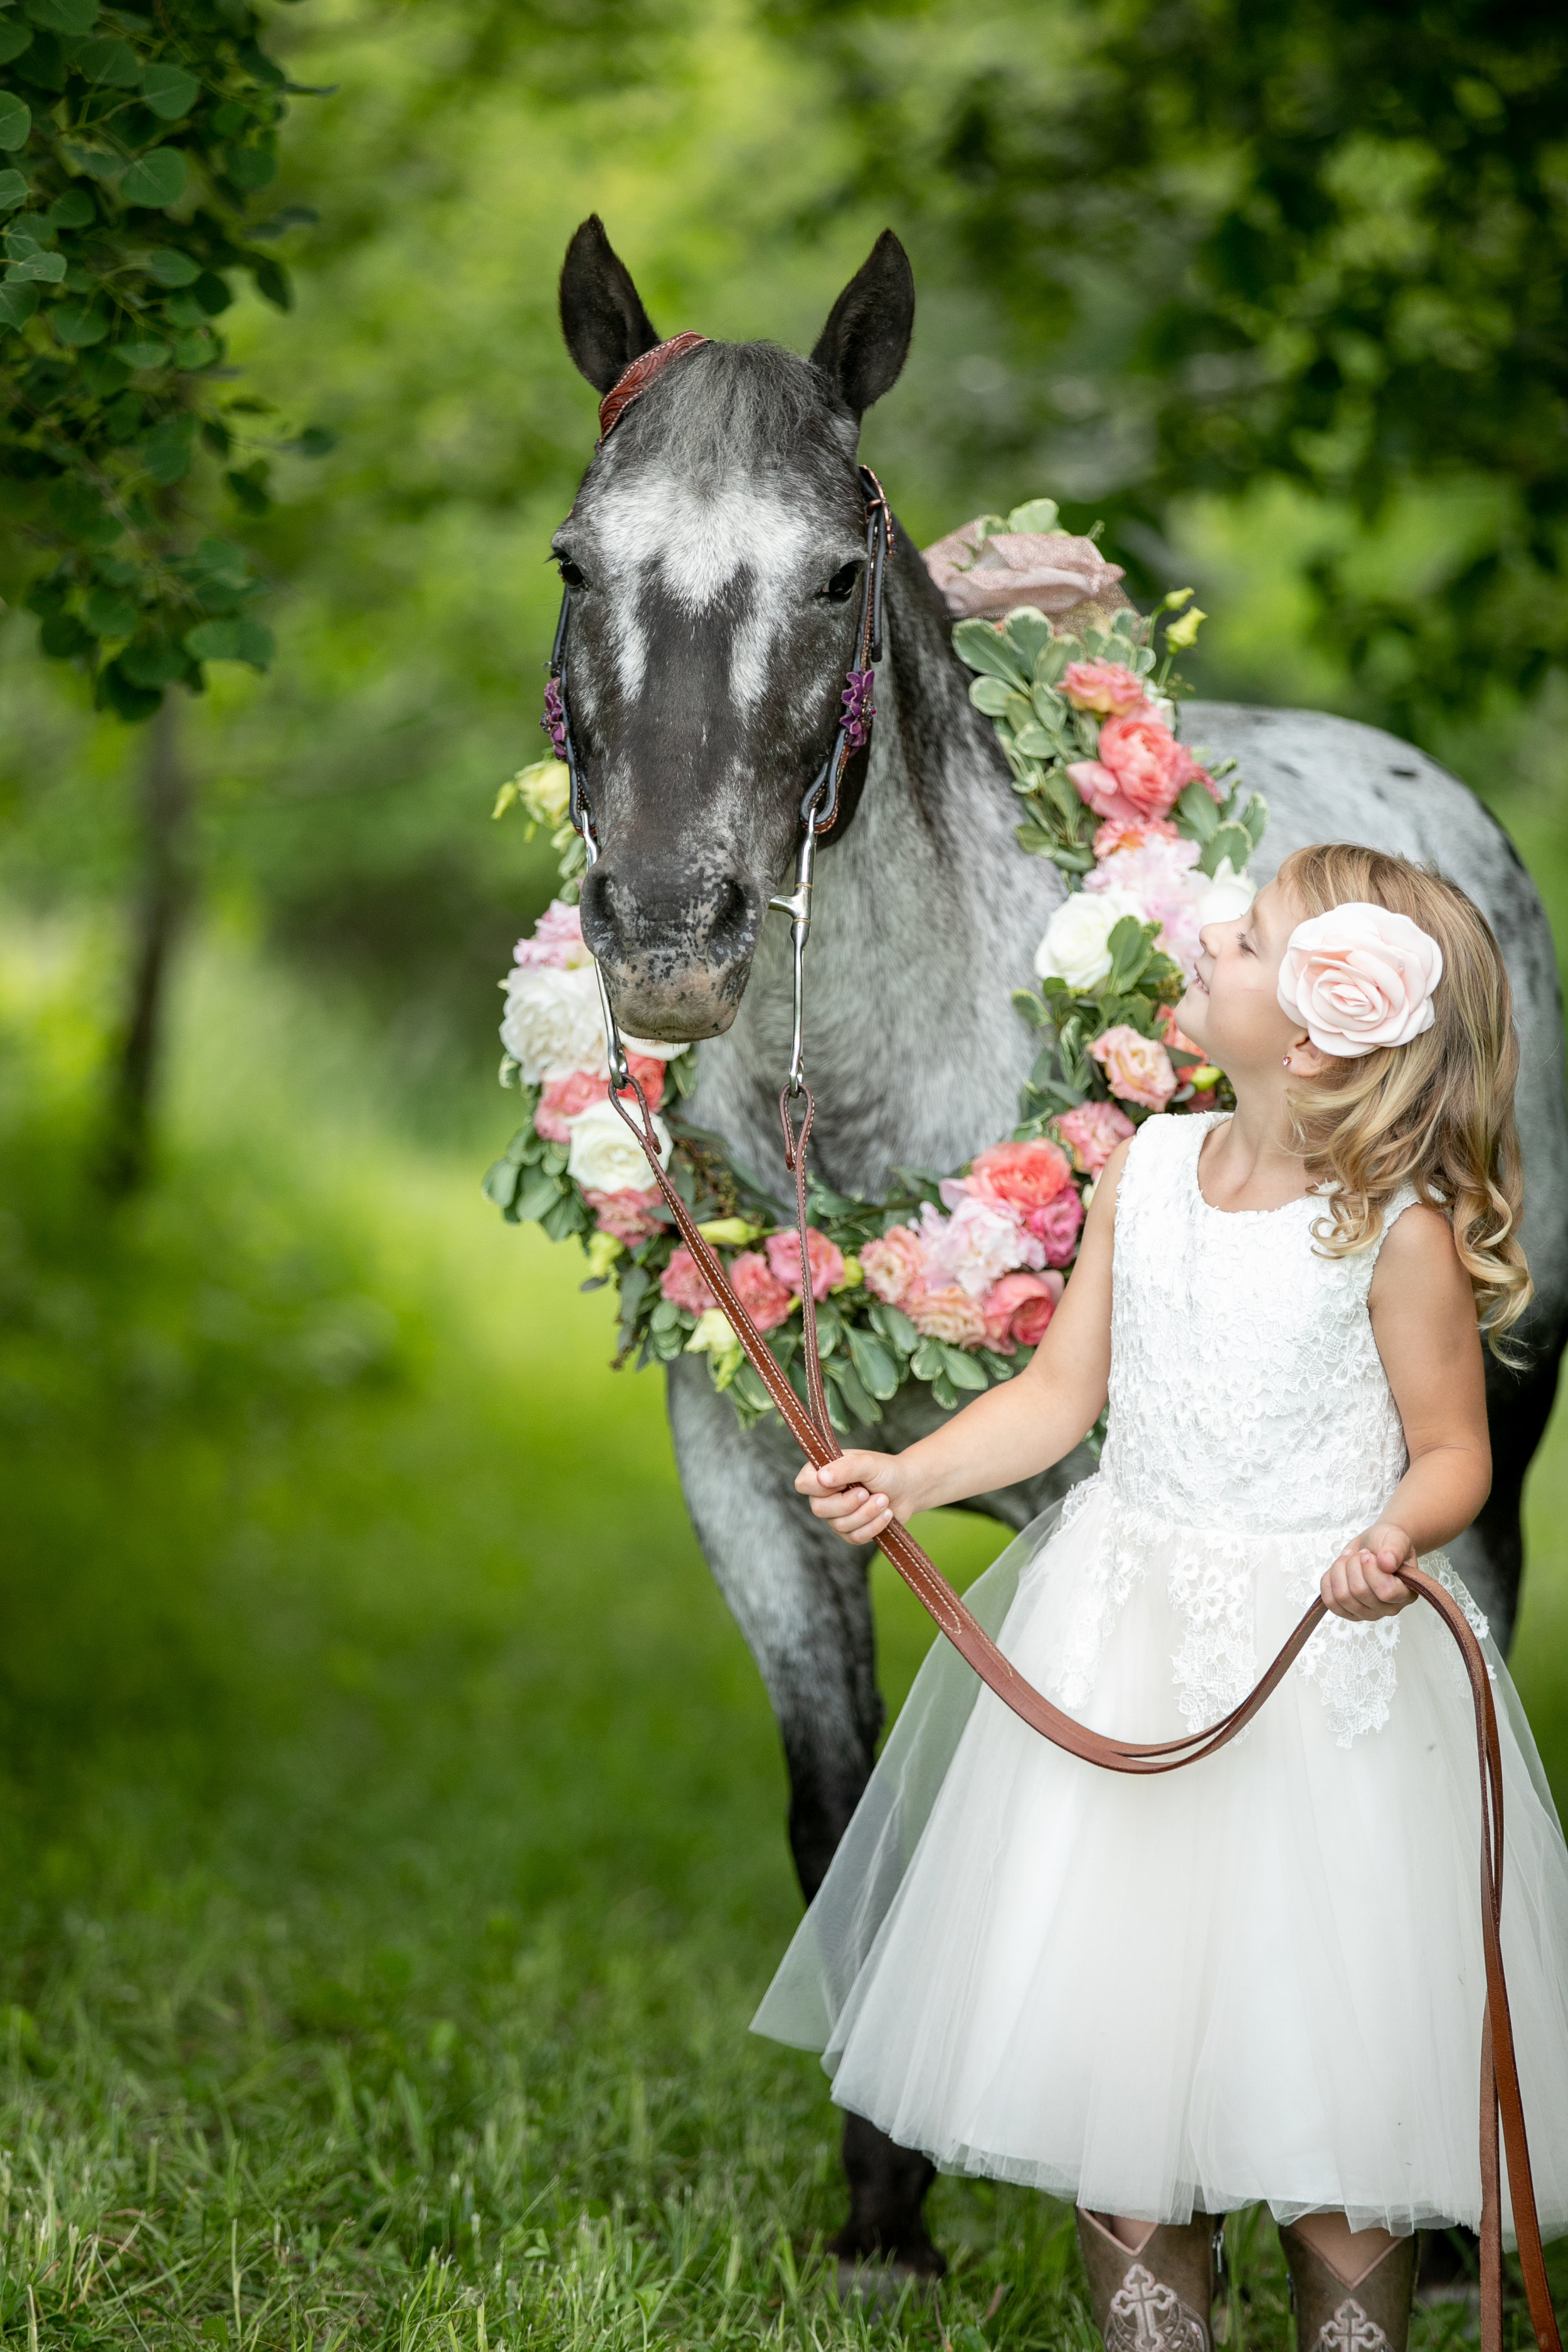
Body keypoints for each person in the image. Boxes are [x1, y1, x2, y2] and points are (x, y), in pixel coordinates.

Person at [751, 844, 1568, 2352]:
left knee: (1327, 2075)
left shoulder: (1394, 1233)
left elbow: (1452, 1451)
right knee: (1125, 2073)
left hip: (1318, 1676)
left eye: (1245, 939)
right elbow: (1062, 1398)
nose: (1205, 937)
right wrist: (912, 1475)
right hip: (1123, 1633)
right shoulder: (1150, 1169)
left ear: (1317, 1029)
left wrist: (1394, 1536)